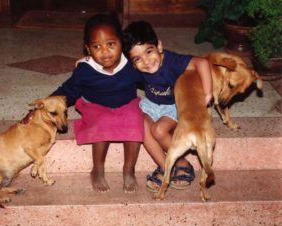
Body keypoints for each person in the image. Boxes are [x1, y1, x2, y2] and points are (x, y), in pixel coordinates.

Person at [51, 14, 144, 193]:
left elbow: (151, 77)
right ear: (88, 49)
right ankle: (98, 170)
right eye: (97, 46)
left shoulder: (132, 65)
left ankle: (129, 169)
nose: (105, 51)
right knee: (103, 122)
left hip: (127, 103)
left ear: (121, 44)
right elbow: (68, 89)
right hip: (95, 104)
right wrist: (48, 103)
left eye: (111, 44)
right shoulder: (85, 70)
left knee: (135, 120)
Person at [123, 21, 213, 192]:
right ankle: (165, 167)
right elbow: (113, 64)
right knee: (140, 125)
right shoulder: (135, 67)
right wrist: (89, 61)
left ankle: (181, 163)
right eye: (138, 59)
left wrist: (208, 94)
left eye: (149, 52)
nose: (146, 61)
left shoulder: (172, 61)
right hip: (150, 104)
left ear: (159, 46)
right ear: (133, 62)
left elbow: (202, 62)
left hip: (174, 106)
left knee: (158, 130)